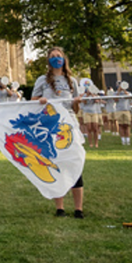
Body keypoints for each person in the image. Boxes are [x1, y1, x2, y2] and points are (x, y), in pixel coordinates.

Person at [32, 47, 85, 218]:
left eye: (58, 56)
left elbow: (75, 109)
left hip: (69, 126)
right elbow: (32, 101)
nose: (56, 59)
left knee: (74, 164)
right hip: (51, 125)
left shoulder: (72, 81)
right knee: (56, 163)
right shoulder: (42, 80)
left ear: (64, 58)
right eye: (52, 56)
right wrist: (40, 101)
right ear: (48, 60)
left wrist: (77, 102)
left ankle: (78, 209)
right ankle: (60, 207)